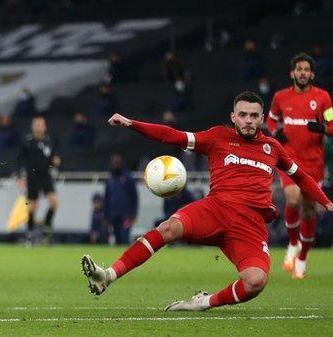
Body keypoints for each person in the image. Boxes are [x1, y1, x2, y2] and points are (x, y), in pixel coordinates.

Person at [81, 91, 333, 312]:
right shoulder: (217, 137)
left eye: (254, 116)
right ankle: (108, 275)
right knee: (169, 228)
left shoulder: (272, 147)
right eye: (243, 114)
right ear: (233, 116)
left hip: (249, 225)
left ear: (261, 118)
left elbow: (301, 177)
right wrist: (130, 123)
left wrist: (328, 203)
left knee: (256, 282)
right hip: (215, 209)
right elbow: (172, 136)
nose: (248, 120)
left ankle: (204, 302)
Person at [265, 53, 333, 279]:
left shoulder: (323, 97)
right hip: (289, 159)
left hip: (314, 162)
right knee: (292, 199)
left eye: (306, 69)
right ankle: (293, 243)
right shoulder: (280, 97)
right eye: (299, 69)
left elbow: (332, 124)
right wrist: (275, 132)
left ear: (312, 74)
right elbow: (271, 119)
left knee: (308, 209)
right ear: (292, 73)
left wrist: (323, 129)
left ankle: (302, 257)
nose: (303, 73)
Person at [17, 116, 60, 244]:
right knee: (32, 207)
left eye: (41, 124)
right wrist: (20, 176)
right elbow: (19, 160)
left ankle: (46, 228)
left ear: (45, 127)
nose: (38, 126)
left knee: (54, 202)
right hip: (32, 177)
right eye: (36, 124)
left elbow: (53, 158)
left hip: (46, 176)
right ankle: (29, 234)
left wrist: (56, 161)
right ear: (32, 127)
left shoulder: (49, 141)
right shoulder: (27, 141)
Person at [104, 154, 138, 244]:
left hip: (125, 214)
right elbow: (106, 198)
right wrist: (106, 216)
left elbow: (134, 197)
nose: (116, 165)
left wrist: (133, 215)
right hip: (113, 213)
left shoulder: (127, 177)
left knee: (124, 238)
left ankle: (126, 257)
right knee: (117, 238)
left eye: (117, 162)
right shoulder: (110, 178)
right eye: (114, 163)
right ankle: (119, 257)